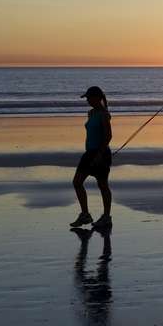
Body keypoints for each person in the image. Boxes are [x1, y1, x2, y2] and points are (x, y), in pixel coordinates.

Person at [70, 86, 113, 230]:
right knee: (77, 182)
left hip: (100, 153)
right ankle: (85, 214)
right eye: (87, 98)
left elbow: (108, 136)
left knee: (102, 185)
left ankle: (106, 217)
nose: (87, 100)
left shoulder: (103, 114)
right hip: (89, 153)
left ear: (97, 98)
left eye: (89, 97)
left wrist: (100, 154)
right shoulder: (91, 113)